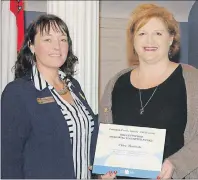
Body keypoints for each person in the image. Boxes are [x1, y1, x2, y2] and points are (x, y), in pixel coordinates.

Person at [99, 3, 198, 179]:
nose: (149, 41)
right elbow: (105, 135)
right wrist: (104, 172)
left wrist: (176, 163)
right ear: (133, 40)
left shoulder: (192, 79)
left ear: (170, 39)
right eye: (142, 33)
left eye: (158, 33)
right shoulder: (116, 82)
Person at [1, 14, 98, 179]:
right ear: (31, 46)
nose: (57, 47)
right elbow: (8, 160)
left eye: (62, 39)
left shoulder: (74, 86)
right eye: (48, 40)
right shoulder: (18, 92)